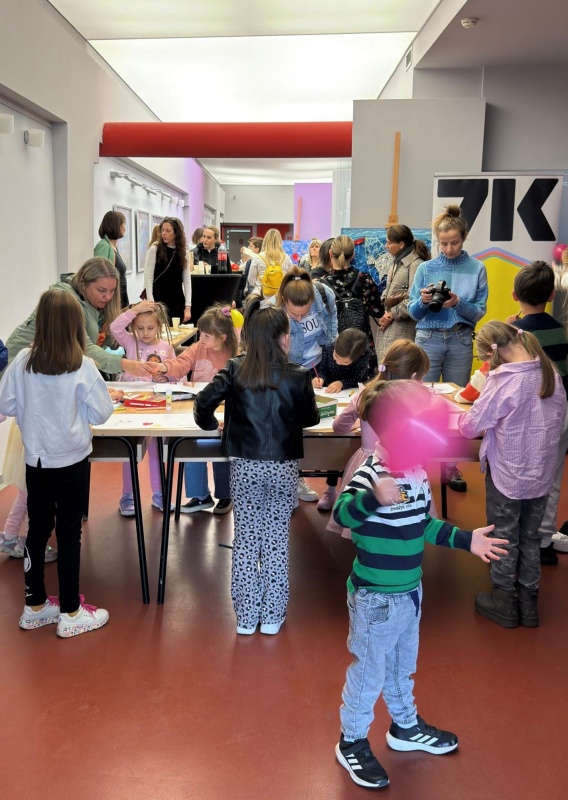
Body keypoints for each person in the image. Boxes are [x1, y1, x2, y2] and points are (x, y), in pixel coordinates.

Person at [332, 378, 506, 790]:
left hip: (411, 593)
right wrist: (374, 498)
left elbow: (425, 523)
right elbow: (342, 514)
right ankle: (351, 741)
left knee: (401, 667)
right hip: (375, 599)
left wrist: (467, 540)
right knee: (369, 673)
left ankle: (404, 726)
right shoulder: (371, 473)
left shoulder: (415, 473)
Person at [193, 297, 319, 634]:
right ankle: (273, 616)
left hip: (245, 465)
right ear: (283, 338)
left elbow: (203, 402)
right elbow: (310, 418)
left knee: (247, 540)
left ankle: (247, 618)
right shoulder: (299, 375)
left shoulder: (235, 368)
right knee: (277, 540)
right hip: (283, 467)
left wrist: (213, 425)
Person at [0, 289, 114, 638]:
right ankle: (70, 611)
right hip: (71, 460)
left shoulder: (23, 360)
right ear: (75, 325)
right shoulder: (83, 365)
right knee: (68, 532)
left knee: (37, 529)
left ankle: (34, 605)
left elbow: (5, 404)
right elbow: (103, 412)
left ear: (41, 322)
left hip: (37, 460)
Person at [459, 320, 566, 628]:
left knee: (503, 536)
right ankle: (529, 604)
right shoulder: (551, 373)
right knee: (531, 537)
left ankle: (504, 600)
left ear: (491, 354)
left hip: (508, 473)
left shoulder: (502, 380)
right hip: (541, 473)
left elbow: (470, 427)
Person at [408, 204, 488, 493]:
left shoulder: (477, 268)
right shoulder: (425, 268)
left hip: (460, 339)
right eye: (443, 243)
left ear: (463, 238)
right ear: (437, 241)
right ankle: (416, 462)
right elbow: (413, 312)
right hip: (427, 338)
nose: (449, 248)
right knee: (419, 401)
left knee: (458, 403)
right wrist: (422, 301)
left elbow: (479, 312)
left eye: (454, 242)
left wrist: (458, 304)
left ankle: (451, 465)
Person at [504, 261, 568, 565]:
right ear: (552, 295)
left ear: (514, 295)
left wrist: (507, 333)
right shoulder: (560, 332)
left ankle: (515, 535)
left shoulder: (515, 335)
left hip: (524, 416)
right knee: (551, 477)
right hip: (558, 415)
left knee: (516, 473)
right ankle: (542, 539)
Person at [324, 339, 431, 521]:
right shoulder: (420, 402)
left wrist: (357, 423)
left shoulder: (365, 394)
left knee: (366, 512)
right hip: (404, 466)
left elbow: (338, 426)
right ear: (414, 377)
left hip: (367, 464)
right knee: (403, 514)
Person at [147, 305, 238, 514]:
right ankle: (200, 496)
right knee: (191, 444)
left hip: (225, 411)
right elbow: (182, 362)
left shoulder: (235, 354)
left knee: (222, 447)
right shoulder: (198, 347)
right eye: (201, 333)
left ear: (223, 337)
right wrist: (164, 368)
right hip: (200, 410)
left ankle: (225, 495)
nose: (201, 338)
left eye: (206, 335)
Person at [2, 258, 151, 379]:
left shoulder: (91, 302)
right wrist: (126, 365)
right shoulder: (64, 303)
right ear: (83, 284)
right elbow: (84, 348)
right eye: (101, 290)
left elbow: (107, 340)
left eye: (112, 291)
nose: (108, 297)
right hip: (18, 375)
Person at [272, 267, 337, 503]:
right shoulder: (273, 311)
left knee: (315, 423)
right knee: (288, 428)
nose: (299, 319)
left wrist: (324, 371)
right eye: (293, 314)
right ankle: (291, 481)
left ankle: (302, 478)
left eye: (305, 313)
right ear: (283, 301)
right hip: (287, 372)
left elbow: (332, 331)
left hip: (315, 369)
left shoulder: (325, 296)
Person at [110, 300, 176, 516]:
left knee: (156, 448)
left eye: (150, 328)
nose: (145, 333)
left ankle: (159, 493)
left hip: (156, 405)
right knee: (130, 449)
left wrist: (166, 376)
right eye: (139, 328)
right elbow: (114, 327)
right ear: (133, 327)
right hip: (131, 404)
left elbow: (176, 373)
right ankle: (127, 496)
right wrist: (135, 311)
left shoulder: (166, 347)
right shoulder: (130, 342)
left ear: (159, 326)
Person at [375, 225, 430, 362]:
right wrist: (385, 311)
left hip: (404, 331)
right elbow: (388, 291)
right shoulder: (395, 263)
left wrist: (392, 314)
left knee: (399, 367)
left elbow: (415, 298)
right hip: (390, 328)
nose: (386, 246)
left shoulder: (416, 265)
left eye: (389, 242)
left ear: (401, 244)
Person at [144, 217, 192, 324]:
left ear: (176, 233)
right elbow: (148, 278)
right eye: (162, 230)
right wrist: (151, 302)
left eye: (168, 231)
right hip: (159, 301)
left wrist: (188, 306)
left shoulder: (183, 253)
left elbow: (187, 280)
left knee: (176, 332)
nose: (164, 233)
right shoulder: (154, 249)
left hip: (177, 301)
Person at [312, 328, 369, 394]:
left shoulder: (362, 356)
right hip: (330, 391)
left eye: (345, 362)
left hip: (353, 391)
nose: (338, 362)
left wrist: (342, 383)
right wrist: (320, 378)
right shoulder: (328, 348)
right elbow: (323, 371)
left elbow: (357, 378)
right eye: (336, 356)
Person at [94, 210, 129, 308]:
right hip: (111, 301)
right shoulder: (104, 246)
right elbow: (100, 275)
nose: (124, 228)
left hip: (120, 298)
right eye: (123, 224)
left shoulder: (113, 246)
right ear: (116, 226)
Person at [249, 228, 293, 297]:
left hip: (262, 295)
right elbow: (291, 278)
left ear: (265, 240)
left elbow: (251, 280)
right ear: (280, 241)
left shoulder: (258, 258)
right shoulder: (286, 258)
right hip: (282, 295)